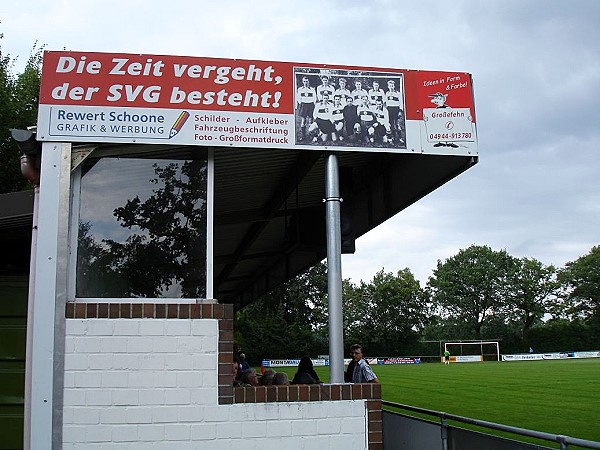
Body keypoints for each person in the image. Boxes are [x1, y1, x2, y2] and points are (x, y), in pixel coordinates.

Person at [296, 76, 316, 141]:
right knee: (303, 121)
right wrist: (302, 103)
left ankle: (311, 135)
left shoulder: (312, 89)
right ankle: (303, 136)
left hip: (310, 105)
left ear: (308, 82)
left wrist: (312, 104)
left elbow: (314, 98)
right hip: (304, 105)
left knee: (310, 121)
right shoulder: (300, 89)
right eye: (304, 81)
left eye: (306, 81)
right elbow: (298, 98)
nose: (305, 83)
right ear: (302, 82)